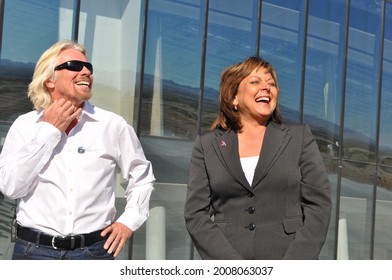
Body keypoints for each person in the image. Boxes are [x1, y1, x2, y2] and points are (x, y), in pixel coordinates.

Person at [0, 40, 155, 260]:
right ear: (49, 80)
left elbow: (142, 177)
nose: (86, 72)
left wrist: (129, 221)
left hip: (94, 252)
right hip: (33, 252)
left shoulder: (113, 125)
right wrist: (49, 131)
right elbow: (11, 188)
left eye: (88, 68)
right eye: (74, 65)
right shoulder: (25, 126)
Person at [184, 56, 332, 260]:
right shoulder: (207, 145)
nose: (266, 87)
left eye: (271, 83)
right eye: (255, 82)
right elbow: (196, 215)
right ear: (234, 97)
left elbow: (319, 206)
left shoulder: (299, 138)